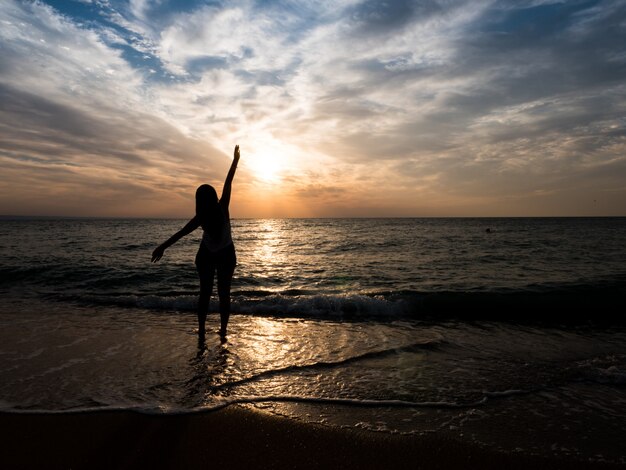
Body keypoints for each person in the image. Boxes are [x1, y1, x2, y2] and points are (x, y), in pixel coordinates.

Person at [152, 145, 240, 340]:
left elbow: (229, 181)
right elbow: (181, 233)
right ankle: (207, 331)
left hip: (223, 253)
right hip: (209, 254)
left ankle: (217, 331)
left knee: (218, 293)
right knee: (210, 293)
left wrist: (235, 161)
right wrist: (163, 247)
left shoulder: (220, 207)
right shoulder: (205, 214)